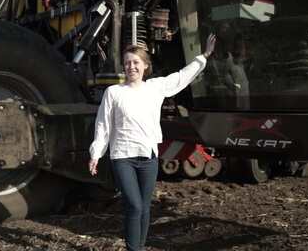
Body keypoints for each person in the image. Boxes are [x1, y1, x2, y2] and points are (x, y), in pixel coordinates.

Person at [88, 34, 216, 251]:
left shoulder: (155, 87)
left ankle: (140, 246)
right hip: (123, 157)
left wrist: (203, 57)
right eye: (127, 63)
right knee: (134, 206)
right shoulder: (114, 92)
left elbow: (181, 77)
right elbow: (103, 125)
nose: (131, 66)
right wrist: (96, 153)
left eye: (136, 62)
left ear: (145, 66)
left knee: (145, 208)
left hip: (148, 158)